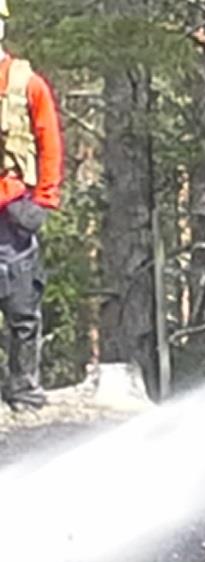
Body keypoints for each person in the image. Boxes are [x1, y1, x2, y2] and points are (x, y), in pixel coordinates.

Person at [0, 0, 61, 412]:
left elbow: (50, 141)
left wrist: (44, 200)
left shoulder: (27, 83)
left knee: (22, 305)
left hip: (13, 209)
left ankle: (24, 391)